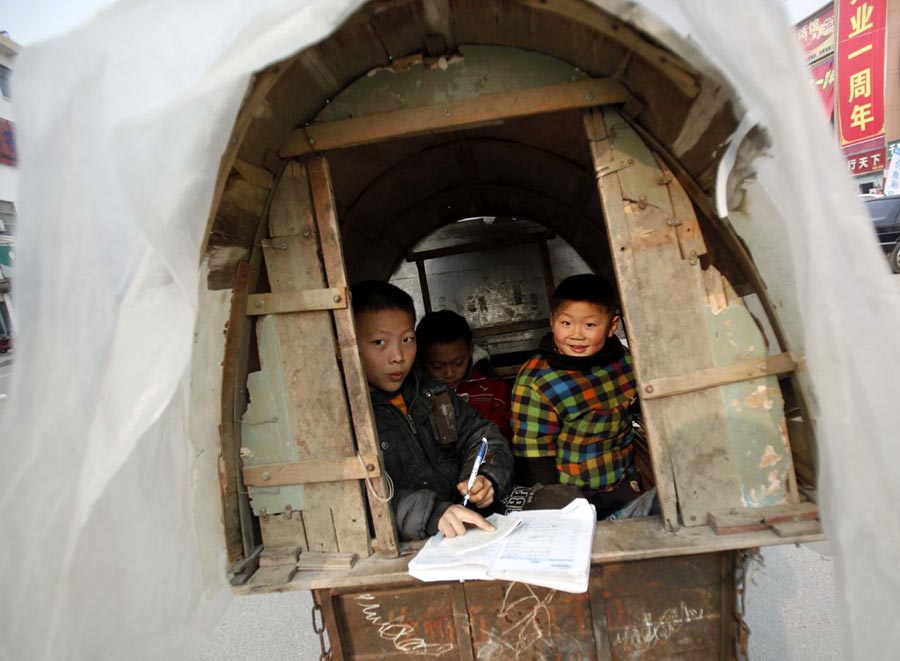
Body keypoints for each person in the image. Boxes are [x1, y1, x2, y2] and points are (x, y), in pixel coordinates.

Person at [350, 281, 513, 541]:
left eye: (407, 339)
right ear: (345, 344)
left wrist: (485, 476)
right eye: (380, 342)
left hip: (465, 524)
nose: (398, 356)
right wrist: (433, 514)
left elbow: (482, 433)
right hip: (411, 542)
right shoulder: (345, 416)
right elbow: (354, 501)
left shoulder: (429, 391)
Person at [510, 273, 641, 519]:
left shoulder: (624, 359)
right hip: (572, 498)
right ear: (552, 321)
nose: (576, 335)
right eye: (566, 323)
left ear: (612, 326)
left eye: (590, 325)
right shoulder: (536, 382)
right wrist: (555, 506)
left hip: (624, 481)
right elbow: (534, 456)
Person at [416, 310, 513, 440]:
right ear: (421, 357)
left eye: (458, 363)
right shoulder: (415, 395)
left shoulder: (494, 390)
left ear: (471, 349)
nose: (449, 374)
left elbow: (501, 437)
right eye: (437, 366)